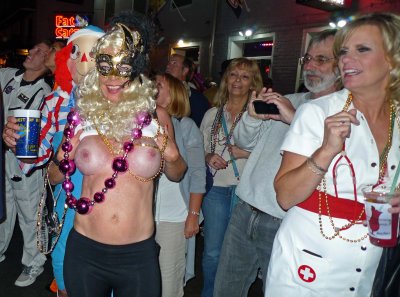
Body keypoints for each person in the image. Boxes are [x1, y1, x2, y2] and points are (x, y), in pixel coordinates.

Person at [266, 12, 400, 296]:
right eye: (343, 52)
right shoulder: (317, 112)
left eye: (362, 49)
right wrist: (326, 150)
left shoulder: (398, 119)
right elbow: (285, 196)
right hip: (307, 263)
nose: (346, 60)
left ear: (392, 58)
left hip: (372, 265)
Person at [50, 23, 186, 297]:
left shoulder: (155, 117)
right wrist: (64, 156)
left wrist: (171, 155)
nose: (112, 78)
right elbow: (53, 177)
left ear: (136, 70)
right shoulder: (82, 115)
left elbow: (177, 173)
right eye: (104, 66)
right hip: (85, 249)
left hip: (138, 254)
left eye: (123, 67)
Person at [213, 29, 341, 297]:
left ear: (341, 66)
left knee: (276, 290)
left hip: (286, 220)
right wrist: (252, 116)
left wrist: (293, 119)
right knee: (226, 288)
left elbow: (337, 161)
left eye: (321, 59)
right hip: (245, 208)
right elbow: (245, 143)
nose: (311, 66)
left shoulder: (342, 113)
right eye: (307, 59)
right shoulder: (290, 100)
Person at [2, 26, 105, 297]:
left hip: (111, 207)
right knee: (63, 264)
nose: (84, 60)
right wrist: (16, 140)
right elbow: (36, 156)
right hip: (68, 203)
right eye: (76, 52)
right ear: (66, 61)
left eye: (92, 52)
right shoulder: (56, 103)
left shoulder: (123, 103)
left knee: (104, 271)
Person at [199, 57, 263, 297]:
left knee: (239, 253)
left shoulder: (261, 114)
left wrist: (244, 153)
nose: (238, 80)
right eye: (234, 75)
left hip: (246, 192)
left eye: (245, 76)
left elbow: (273, 152)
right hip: (217, 188)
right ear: (226, 79)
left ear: (252, 83)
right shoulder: (212, 114)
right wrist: (208, 156)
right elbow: (201, 147)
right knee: (213, 252)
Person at [0, 40, 52, 287]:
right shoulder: (10, 76)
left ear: (48, 62)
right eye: (33, 48)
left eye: (40, 52)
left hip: (26, 163)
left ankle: (34, 263)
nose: (31, 52)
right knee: (4, 208)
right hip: (4, 158)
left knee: (30, 214)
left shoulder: (44, 92)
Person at [154, 72, 205, 297]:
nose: (151, 87)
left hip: (173, 216)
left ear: (172, 94)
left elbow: (197, 173)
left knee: (168, 280)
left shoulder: (186, 126)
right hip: (144, 216)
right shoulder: (143, 124)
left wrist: (193, 215)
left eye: (158, 85)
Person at [166, 53, 210, 127]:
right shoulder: (160, 92)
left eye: (174, 63)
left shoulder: (196, 98)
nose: (167, 66)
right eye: (168, 63)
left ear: (185, 71)